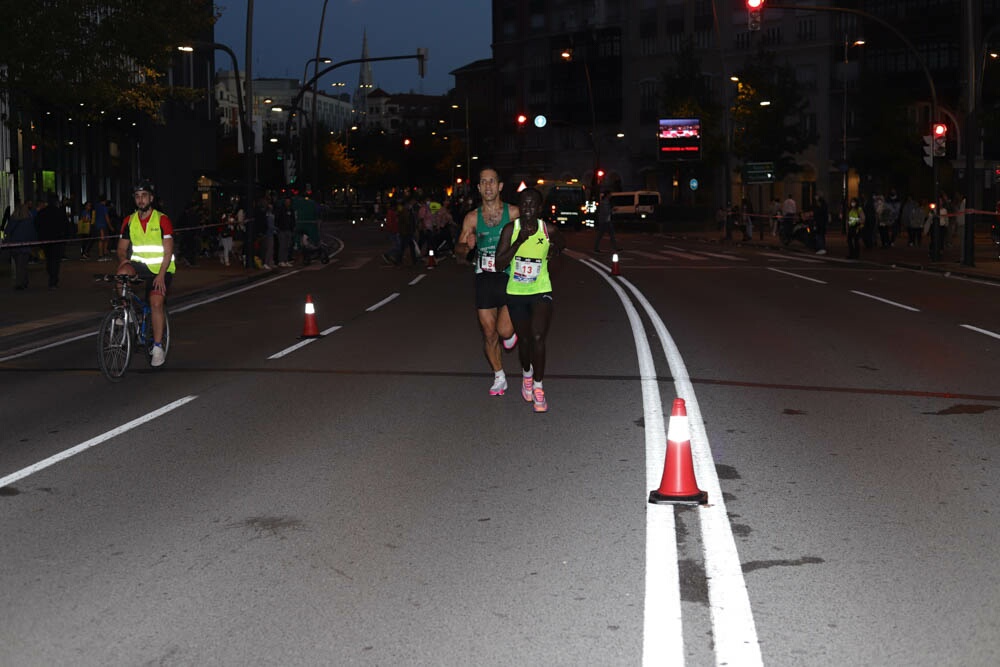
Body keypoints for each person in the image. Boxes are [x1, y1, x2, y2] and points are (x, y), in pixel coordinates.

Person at [495, 187, 566, 413]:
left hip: (540, 289)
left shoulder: (549, 230)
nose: (528, 209)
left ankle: (538, 386)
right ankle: (526, 373)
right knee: (524, 341)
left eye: (532, 205)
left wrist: (554, 251)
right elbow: (499, 264)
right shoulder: (510, 229)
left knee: (537, 336)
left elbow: (561, 245)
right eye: (524, 204)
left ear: (539, 208)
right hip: (516, 292)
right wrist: (518, 243)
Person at [455, 167, 521, 396]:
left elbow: (528, 241)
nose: (489, 186)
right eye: (484, 182)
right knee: (489, 333)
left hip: (509, 276)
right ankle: (499, 376)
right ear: (479, 188)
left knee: (503, 331)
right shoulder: (472, 218)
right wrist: (467, 246)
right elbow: (459, 253)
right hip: (484, 277)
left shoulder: (513, 213)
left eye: (492, 181)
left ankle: (511, 334)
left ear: (500, 186)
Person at [116, 179, 175, 367]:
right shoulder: (129, 220)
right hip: (141, 265)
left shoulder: (162, 219)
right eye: (137, 196)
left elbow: (168, 251)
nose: (141, 200)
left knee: (156, 303)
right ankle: (124, 308)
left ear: (151, 198)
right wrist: (124, 260)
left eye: (144, 196)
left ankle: (157, 347)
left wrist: (160, 276)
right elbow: (121, 249)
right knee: (121, 272)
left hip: (162, 268)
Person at [34, 192, 71, 289]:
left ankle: (51, 274)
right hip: (57, 240)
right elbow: (66, 226)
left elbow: (37, 226)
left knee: (49, 259)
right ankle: (53, 280)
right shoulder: (60, 212)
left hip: (45, 239)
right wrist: (66, 238)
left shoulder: (42, 213)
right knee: (55, 260)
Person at [4, 201, 37, 290]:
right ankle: (21, 283)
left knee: (19, 264)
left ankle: (23, 281)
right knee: (23, 265)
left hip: (14, 246)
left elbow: (7, 231)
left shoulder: (12, 220)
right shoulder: (29, 221)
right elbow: (32, 233)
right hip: (25, 246)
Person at [275, 196, 296, 267]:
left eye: (289, 202)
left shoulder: (291, 209)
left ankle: (286, 260)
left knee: (288, 245)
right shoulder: (281, 209)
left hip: (289, 230)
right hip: (282, 230)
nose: (288, 203)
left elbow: (293, 219)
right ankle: (281, 260)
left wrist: (292, 227)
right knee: (282, 245)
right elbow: (277, 219)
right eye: (286, 202)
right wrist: (278, 227)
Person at [94, 195, 113, 261]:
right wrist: (110, 226)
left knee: (104, 240)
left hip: (98, 225)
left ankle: (104, 254)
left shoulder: (96, 206)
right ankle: (101, 256)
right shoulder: (104, 208)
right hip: (102, 226)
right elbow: (107, 217)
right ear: (104, 200)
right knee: (102, 241)